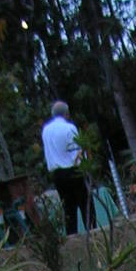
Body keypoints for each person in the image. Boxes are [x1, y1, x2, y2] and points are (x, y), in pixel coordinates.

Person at [42, 100, 90, 235]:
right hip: (73, 170)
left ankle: (72, 235)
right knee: (85, 203)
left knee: (68, 207)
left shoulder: (46, 130)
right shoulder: (69, 128)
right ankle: (92, 231)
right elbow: (77, 151)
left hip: (57, 174)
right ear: (66, 113)